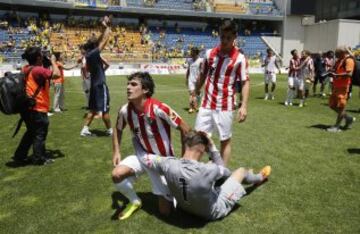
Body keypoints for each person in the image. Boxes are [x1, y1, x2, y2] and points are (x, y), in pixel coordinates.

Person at [141, 130, 271, 220]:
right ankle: (259, 177)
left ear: (186, 145)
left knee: (209, 173)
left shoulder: (168, 163)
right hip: (211, 212)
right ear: (202, 150)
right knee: (241, 171)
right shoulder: (208, 170)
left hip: (184, 207)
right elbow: (223, 170)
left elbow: (146, 159)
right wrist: (212, 147)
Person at [111, 72, 191, 220]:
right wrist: (116, 151)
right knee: (117, 174)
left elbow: (185, 129)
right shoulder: (124, 110)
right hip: (142, 157)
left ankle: (172, 190)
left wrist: (185, 159)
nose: (128, 87)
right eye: (128, 84)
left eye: (133, 84)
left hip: (163, 162)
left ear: (145, 90)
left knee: (165, 212)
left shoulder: (160, 108)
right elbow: (118, 128)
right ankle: (135, 201)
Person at [194, 20, 249, 165]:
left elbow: (245, 82)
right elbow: (202, 75)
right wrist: (194, 93)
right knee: (198, 138)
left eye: (228, 38)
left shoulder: (240, 58)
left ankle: (222, 174)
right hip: (206, 104)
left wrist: (243, 106)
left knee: (224, 140)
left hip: (226, 105)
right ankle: (195, 171)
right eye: (222, 37)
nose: (224, 41)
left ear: (234, 37)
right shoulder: (209, 54)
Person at [12, 46, 60, 165]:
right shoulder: (38, 70)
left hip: (27, 106)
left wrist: (45, 63)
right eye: (41, 55)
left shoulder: (26, 68)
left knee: (31, 132)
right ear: (38, 57)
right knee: (40, 133)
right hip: (38, 107)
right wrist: (53, 61)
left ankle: (19, 156)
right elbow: (56, 74)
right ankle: (39, 158)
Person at [80, 16, 112, 136]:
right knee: (105, 109)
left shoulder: (88, 55)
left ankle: (84, 129)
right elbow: (104, 41)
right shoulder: (93, 53)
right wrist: (107, 26)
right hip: (100, 85)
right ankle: (110, 130)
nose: (93, 37)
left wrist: (103, 28)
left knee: (93, 110)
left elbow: (98, 40)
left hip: (94, 84)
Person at [327, 46, 356, 132]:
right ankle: (349, 118)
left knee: (341, 107)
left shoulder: (349, 60)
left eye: (337, 53)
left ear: (343, 53)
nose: (335, 55)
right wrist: (331, 71)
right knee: (332, 105)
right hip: (336, 86)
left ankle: (337, 127)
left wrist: (336, 75)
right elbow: (335, 70)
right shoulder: (339, 60)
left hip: (343, 87)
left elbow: (349, 74)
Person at [185, 47, 203, 113]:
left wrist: (200, 79)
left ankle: (196, 106)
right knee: (192, 94)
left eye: (192, 52)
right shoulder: (190, 61)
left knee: (198, 94)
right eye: (191, 52)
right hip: (191, 80)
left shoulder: (200, 60)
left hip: (198, 80)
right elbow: (188, 70)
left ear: (196, 53)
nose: (191, 53)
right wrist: (187, 78)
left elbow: (202, 71)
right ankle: (191, 108)